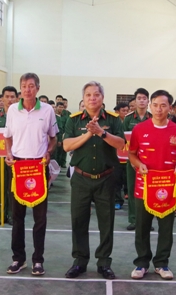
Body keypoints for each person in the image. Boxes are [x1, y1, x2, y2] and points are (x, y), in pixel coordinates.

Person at [63, 81, 125, 280]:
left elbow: (121, 144)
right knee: (79, 221)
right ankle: (80, 261)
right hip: (81, 178)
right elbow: (66, 146)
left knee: (106, 222)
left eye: (96, 94)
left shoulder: (114, 120)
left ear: (102, 98)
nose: (92, 98)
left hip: (106, 178)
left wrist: (102, 132)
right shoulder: (73, 120)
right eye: (88, 95)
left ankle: (104, 262)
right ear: (83, 98)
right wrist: (90, 133)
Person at [128, 90, 176, 280]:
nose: (159, 109)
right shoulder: (139, 129)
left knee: (166, 228)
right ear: (150, 106)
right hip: (144, 187)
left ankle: (162, 263)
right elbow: (132, 154)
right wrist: (140, 165)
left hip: (167, 188)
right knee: (142, 227)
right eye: (155, 105)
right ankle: (141, 263)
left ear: (170, 108)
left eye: (163, 105)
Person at [4, 73, 58, 276]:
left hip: (38, 168)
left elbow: (53, 139)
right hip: (17, 168)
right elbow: (7, 137)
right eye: (24, 86)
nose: (27, 89)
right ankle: (18, 258)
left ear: (38, 88)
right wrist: (8, 153)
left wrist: (49, 151)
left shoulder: (47, 110)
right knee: (17, 217)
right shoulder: (12, 110)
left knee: (40, 218)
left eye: (31, 86)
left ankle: (38, 260)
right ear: (20, 89)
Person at [0, 86, 18, 225]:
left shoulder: (20, 116)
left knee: (13, 187)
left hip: (15, 157)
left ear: (17, 98)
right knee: (1, 186)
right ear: (2, 99)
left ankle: (13, 215)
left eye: (13, 97)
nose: (10, 100)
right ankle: (2, 214)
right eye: (7, 97)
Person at [123, 88, 151, 230]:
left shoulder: (152, 118)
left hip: (149, 161)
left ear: (148, 101)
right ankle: (134, 219)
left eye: (144, 98)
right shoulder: (128, 119)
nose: (141, 100)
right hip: (132, 161)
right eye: (139, 98)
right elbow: (124, 140)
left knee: (148, 190)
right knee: (133, 188)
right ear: (135, 100)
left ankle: (146, 220)